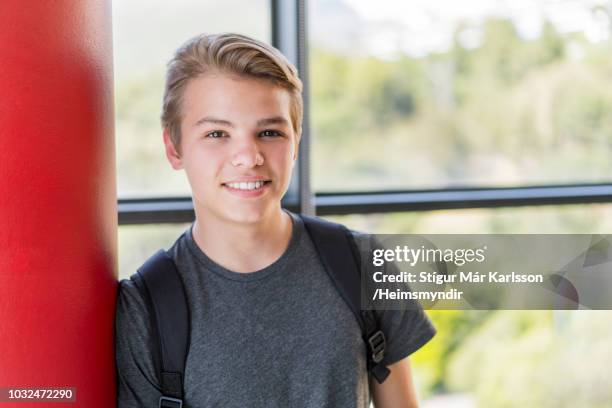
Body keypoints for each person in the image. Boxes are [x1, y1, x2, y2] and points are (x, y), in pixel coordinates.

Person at [115, 32, 436, 408]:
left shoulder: (363, 264)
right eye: (217, 133)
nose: (249, 156)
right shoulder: (143, 310)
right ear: (174, 147)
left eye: (269, 133)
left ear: (296, 142)